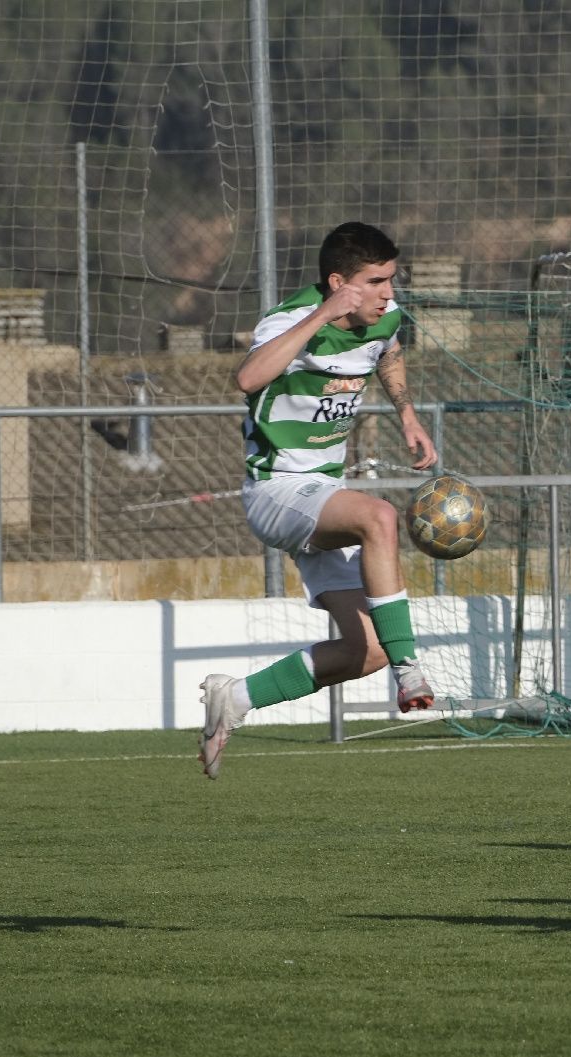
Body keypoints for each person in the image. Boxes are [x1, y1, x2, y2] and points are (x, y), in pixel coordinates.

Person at [197, 221, 439, 779]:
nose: (388, 294)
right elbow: (248, 377)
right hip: (276, 490)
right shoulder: (290, 321)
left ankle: (235, 699)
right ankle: (411, 670)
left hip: (322, 493)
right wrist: (322, 315)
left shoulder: (385, 319)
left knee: (364, 651)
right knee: (379, 516)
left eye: (391, 280)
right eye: (375, 282)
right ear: (338, 283)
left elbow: (390, 351)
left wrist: (407, 415)